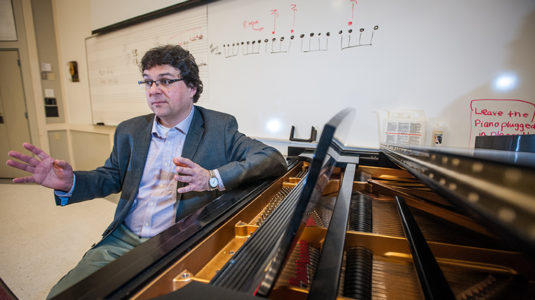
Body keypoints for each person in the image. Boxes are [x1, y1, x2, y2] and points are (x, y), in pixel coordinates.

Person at [6, 44, 287, 298]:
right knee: (62, 296)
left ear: (191, 87)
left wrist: (211, 177)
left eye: (165, 81)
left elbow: (271, 158)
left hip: (177, 242)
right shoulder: (130, 130)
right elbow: (111, 177)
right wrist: (71, 181)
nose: (153, 90)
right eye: (148, 82)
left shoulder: (219, 127)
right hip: (122, 239)